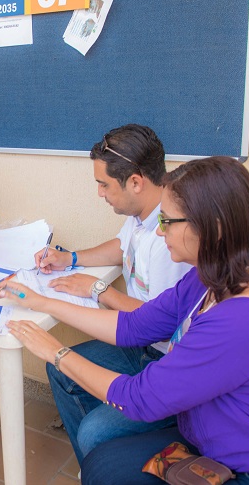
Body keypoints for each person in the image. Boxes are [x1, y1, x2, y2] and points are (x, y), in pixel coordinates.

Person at [0, 157, 249, 485]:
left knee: (105, 467)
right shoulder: (209, 276)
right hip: (217, 437)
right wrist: (41, 301)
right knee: (104, 464)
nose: (160, 233)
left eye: (167, 221)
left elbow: (139, 398)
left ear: (215, 227)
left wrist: (56, 353)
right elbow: (132, 326)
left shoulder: (244, 319)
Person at [35, 124, 191, 460]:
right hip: (140, 346)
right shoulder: (141, 214)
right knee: (59, 369)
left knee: (95, 430)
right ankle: (99, 466)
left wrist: (97, 288)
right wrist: (70, 258)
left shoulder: (172, 240)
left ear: (135, 182)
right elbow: (121, 246)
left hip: (163, 358)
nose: (100, 194)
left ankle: (107, 452)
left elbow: (154, 321)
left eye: (104, 184)